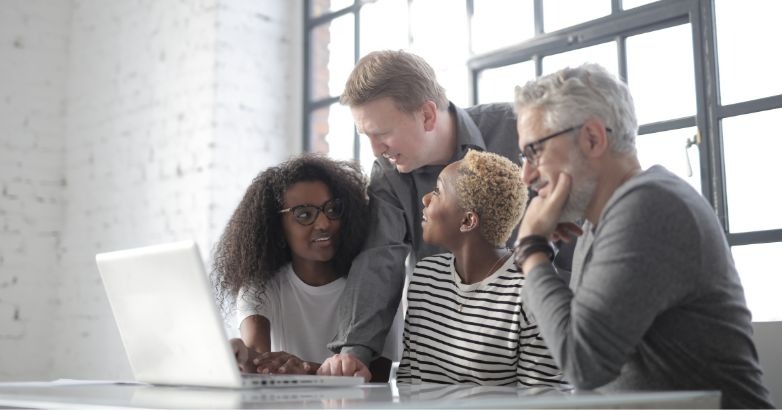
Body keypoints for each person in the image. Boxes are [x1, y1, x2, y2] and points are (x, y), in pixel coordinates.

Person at [511, 63, 773, 408]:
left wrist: (532, 249)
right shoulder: (603, 219)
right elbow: (573, 341)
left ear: (592, 137)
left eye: (534, 151)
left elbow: (581, 363)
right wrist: (541, 251)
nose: (526, 174)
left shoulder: (648, 207)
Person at [318, 50, 578, 380]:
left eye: (381, 133)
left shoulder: (520, 132)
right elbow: (379, 257)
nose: (374, 149)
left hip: (541, 351)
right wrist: (354, 352)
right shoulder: (388, 171)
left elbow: (573, 242)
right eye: (365, 135)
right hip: (442, 356)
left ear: (427, 115)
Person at [212, 154, 395, 378]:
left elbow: (379, 377)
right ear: (276, 227)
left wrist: (306, 369)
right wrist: (240, 355)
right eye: (304, 215)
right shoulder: (260, 287)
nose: (324, 223)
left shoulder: (376, 283)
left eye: (332, 209)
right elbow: (258, 358)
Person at [395, 150, 565, 387]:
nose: (425, 199)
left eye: (437, 191)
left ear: (467, 221)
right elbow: (408, 383)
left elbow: (544, 397)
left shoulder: (530, 288)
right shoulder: (425, 277)